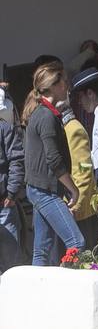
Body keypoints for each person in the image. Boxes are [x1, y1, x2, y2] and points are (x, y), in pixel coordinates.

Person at [21, 63, 84, 265]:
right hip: (44, 190)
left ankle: (38, 294)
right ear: (53, 85)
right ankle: (66, 289)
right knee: (77, 242)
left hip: (39, 188)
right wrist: (73, 190)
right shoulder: (46, 116)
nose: (67, 85)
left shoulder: (40, 113)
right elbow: (54, 159)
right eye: (63, 81)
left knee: (42, 249)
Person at [63, 70, 98, 248]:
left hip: (86, 204)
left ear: (90, 93)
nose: (79, 102)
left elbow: (86, 166)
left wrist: (76, 206)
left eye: (80, 96)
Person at [0, 111, 23, 270]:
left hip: (4, 203)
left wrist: (11, 193)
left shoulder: (5, 129)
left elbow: (16, 160)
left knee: (11, 264)